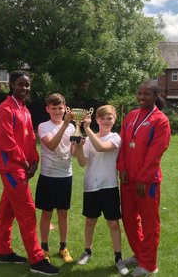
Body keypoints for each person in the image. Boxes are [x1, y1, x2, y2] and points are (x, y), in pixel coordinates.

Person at [0, 70, 59, 275]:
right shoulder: (5, 109)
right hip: (12, 168)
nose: (24, 88)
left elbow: (30, 139)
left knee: (7, 211)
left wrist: (34, 160)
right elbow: (6, 143)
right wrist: (23, 162)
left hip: (22, 167)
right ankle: (37, 259)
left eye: (27, 85)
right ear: (11, 84)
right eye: (20, 84)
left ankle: (4, 252)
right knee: (27, 212)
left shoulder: (24, 109)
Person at [116, 80, 171, 277]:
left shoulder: (160, 120)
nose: (141, 98)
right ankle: (139, 254)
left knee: (149, 223)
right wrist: (121, 167)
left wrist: (143, 179)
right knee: (129, 219)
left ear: (156, 96)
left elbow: (155, 153)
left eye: (146, 94)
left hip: (146, 182)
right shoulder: (131, 116)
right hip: (127, 179)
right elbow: (122, 144)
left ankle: (149, 264)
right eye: (139, 93)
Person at [72, 105, 129, 276]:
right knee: (90, 221)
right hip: (91, 185)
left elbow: (102, 147)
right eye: (102, 118)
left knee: (113, 223)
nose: (106, 121)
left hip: (109, 185)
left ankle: (118, 258)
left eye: (109, 118)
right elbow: (82, 162)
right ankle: (87, 251)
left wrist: (87, 129)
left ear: (115, 119)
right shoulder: (89, 138)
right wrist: (80, 147)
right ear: (97, 119)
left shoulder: (116, 137)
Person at [35, 93, 75, 264]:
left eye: (60, 108)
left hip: (65, 175)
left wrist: (78, 145)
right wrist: (64, 125)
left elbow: (71, 152)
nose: (58, 111)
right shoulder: (44, 126)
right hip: (48, 175)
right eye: (54, 108)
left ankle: (63, 247)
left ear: (65, 108)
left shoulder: (73, 127)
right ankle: (44, 248)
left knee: (63, 213)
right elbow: (51, 146)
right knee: (46, 213)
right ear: (48, 109)